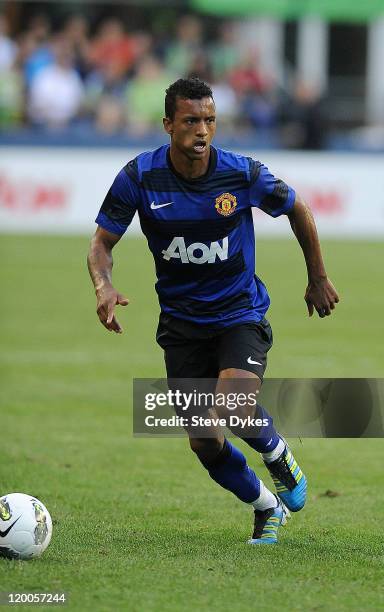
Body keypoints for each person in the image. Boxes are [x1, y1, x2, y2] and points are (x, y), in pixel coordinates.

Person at [87, 77, 339, 544]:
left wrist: (317, 277)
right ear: (168, 124)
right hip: (181, 325)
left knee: (234, 404)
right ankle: (267, 507)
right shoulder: (139, 177)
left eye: (209, 120)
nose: (202, 131)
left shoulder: (242, 173)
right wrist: (103, 284)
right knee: (204, 440)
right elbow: (102, 243)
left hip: (238, 313)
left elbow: (298, 209)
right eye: (190, 121)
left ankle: (279, 454)